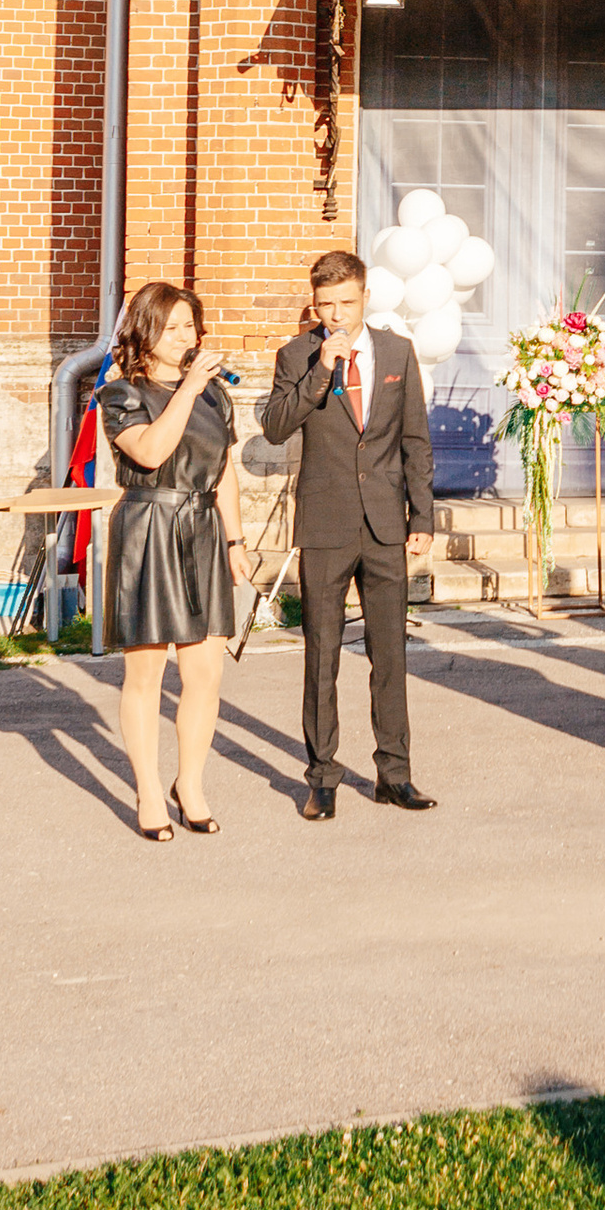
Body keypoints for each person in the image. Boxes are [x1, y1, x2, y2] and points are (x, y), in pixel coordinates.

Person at [262, 246, 436, 823]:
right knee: (323, 655)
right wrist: (319, 372)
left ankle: (395, 774)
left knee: (390, 654)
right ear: (315, 304)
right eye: (325, 304)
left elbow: (414, 441)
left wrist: (422, 517)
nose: (336, 314)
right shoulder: (297, 355)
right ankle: (323, 778)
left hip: (386, 524)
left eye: (346, 302)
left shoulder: (397, 353)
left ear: (365, 297)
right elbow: (275, 423)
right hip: (327, 523)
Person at [100, 278, 243, 842]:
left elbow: (224, 469)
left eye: (191, 326)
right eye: (174, 327)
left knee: (205, 673)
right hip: (150, 527)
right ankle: (149, 792)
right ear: (147, 332)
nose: (186, 336)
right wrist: (187, 389)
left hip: (202, 526)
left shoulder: (215, 394)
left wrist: (236, 543)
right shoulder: (121, 395)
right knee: (147, 673)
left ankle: (192, 783)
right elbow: (153, 450)